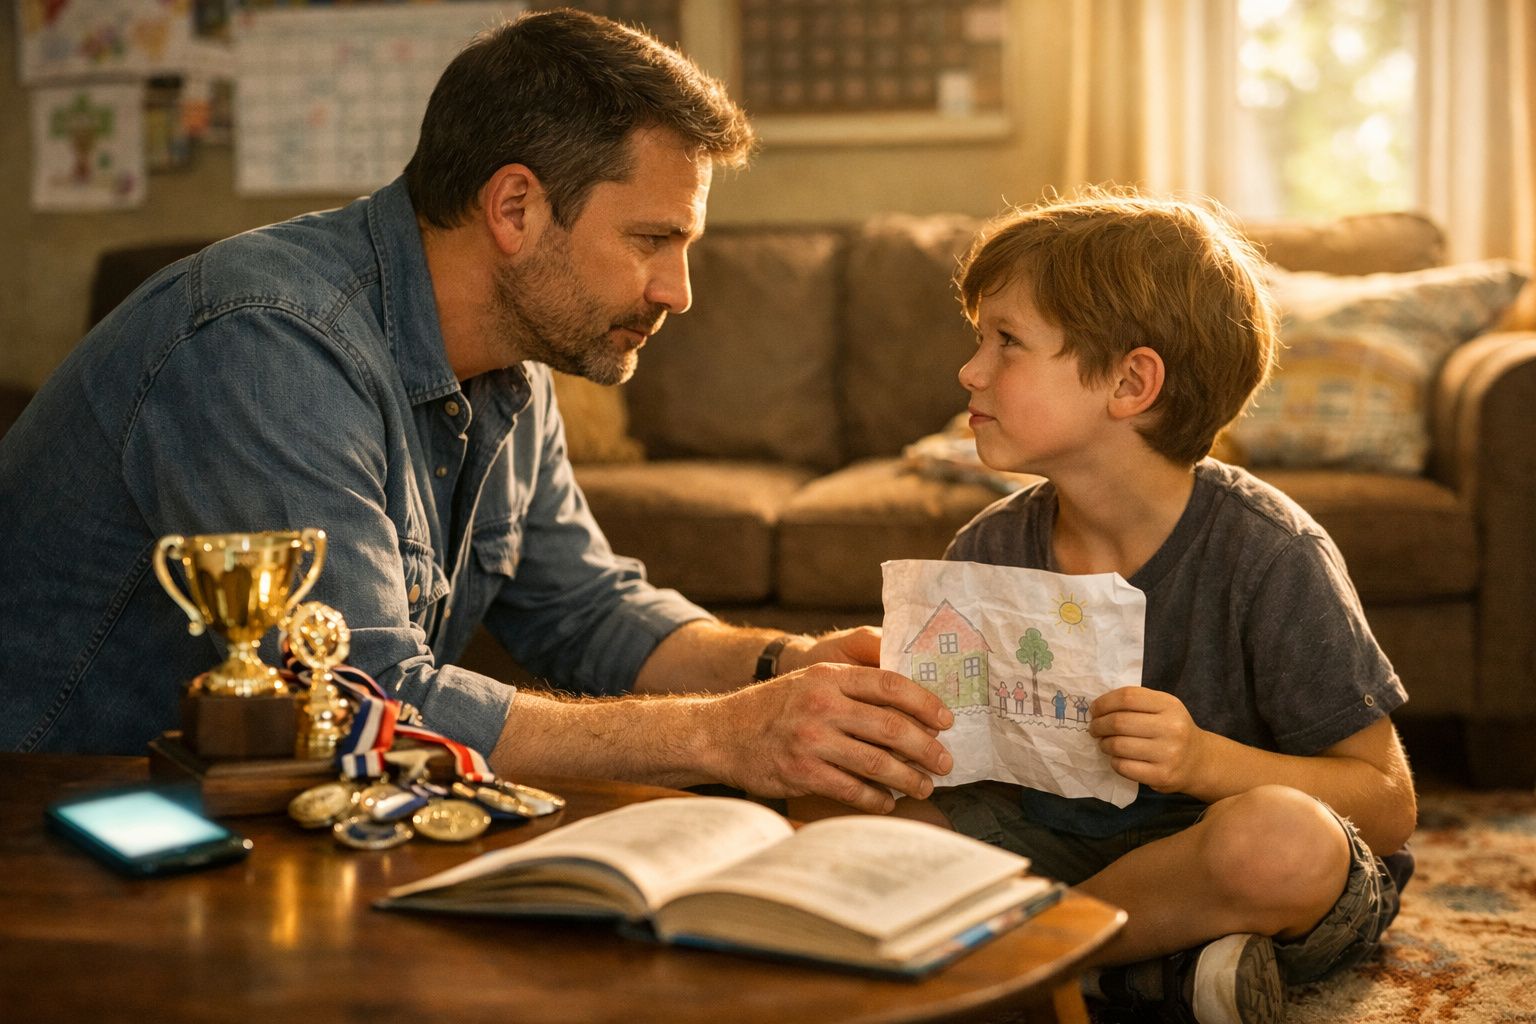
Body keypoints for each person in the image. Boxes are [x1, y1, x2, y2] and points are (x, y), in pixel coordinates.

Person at [0, 10, 953, 814]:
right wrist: (725, 738)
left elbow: (585, 611)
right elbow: (360, 703)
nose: (681, 290)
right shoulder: (265, 343)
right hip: (70, 816)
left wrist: (782, 664)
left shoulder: (511, 365)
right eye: (654, 239)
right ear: (515, 210)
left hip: (248, 812)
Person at [906, 190, 1415, 1023]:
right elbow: (955, 764)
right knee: (838, 801)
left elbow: (1388, 805)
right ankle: (1146, 973)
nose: (970, 370)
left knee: (1281, 842)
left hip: (1219, 859)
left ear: (1132, 382)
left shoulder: (1270, 553)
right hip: (1056, 846)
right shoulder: (988, 548)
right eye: (978, 340)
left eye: (1007, 341)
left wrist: (1204, 762)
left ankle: (1037, 957)